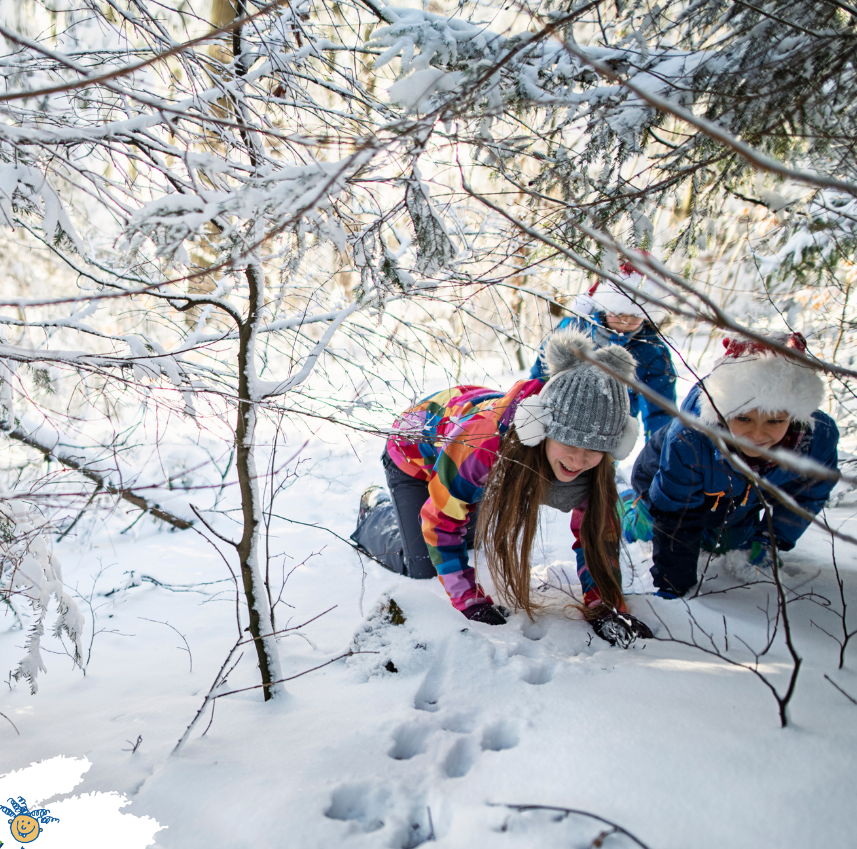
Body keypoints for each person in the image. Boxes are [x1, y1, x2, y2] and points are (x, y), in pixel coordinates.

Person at [351, 329, 653, 647]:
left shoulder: (594, 462)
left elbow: (598, 534)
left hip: (467, 455)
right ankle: (377, 511)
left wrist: (604, 605)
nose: (579, 460)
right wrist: (469, 602)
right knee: (424, 563)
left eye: (593, 450)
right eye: (569, 444)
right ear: (541, 428)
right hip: (414, 448)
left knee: (467, 536)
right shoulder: (484, 446)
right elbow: (440, 523)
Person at [621, 332, 839, 599]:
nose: (757, 435)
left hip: (735, 500)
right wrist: (673, 585)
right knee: (647, 530)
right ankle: (627, 506)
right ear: (721, 412)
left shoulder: (817, 439)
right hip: (664, 485)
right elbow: (675, 514)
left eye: (774, 421)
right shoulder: (690, 437)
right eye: (744, 419)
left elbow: (807, 495)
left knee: (727, 545)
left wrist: (771, 539)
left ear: (794, 417)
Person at [529, 261, 677, 438]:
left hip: (610, 434)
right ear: (606, 305)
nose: (626, 321)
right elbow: (541, 374)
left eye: (635, 315)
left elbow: (660, 410)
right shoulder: (575, 329)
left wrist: (657, 448)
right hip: (559, 423)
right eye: (619, 313)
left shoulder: (651, 351)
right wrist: (530, 414)